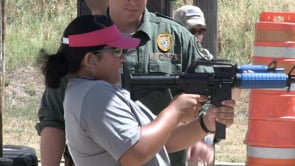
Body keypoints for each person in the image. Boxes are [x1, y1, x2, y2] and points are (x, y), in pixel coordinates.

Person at [35, 0, 236, 165]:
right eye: (116, 51)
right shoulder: (94, 96)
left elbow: (160, 139)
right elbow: (137, 151)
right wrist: (175, 112)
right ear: (90, 60)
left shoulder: (174, 35)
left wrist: (204, 125)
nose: (122, 59)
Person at [174, 5, 215, 166]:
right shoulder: (169, 58)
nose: (198, 36)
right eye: (192, 31)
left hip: (201, 131)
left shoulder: (206, 59)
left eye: (201, 31)